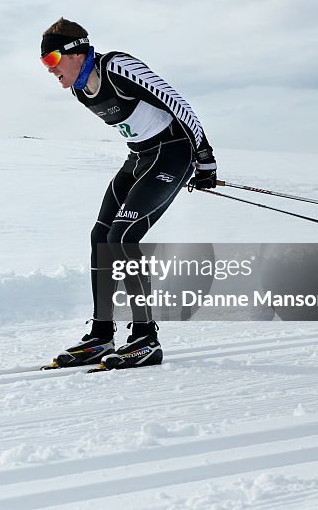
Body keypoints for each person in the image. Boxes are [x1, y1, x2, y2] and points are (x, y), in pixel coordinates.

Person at [40, 18, 218, 370]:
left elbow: (174, 102)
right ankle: (101, 334)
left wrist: (204, 157)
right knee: (100, 236)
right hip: (139, 156)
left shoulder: (117, 66)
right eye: (45, 63)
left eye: (51, 59)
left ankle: (145, 337)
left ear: (77, 52)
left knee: (123, 234)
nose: (50, 70)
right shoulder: (79, 89)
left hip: (173, 151)